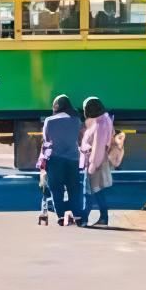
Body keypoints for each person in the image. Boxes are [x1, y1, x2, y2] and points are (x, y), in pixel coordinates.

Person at [39, 94, 83, 227]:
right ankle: (77, 215)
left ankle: (60, 216)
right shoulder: (76, 120)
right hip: (72, 159)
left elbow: (46, 140)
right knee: (73, 188)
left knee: (56, 189)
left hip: (55, 159)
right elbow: (79, 139)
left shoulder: (50, 120)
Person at [80, 96, 116, 226]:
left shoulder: (100, 124)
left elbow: (98, 146)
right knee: (98, 191)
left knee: (89, 192)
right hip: (98, 160)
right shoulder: (105, 119)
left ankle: (84, 218)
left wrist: (92, 166)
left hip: (94, 162)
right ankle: (103, 218)